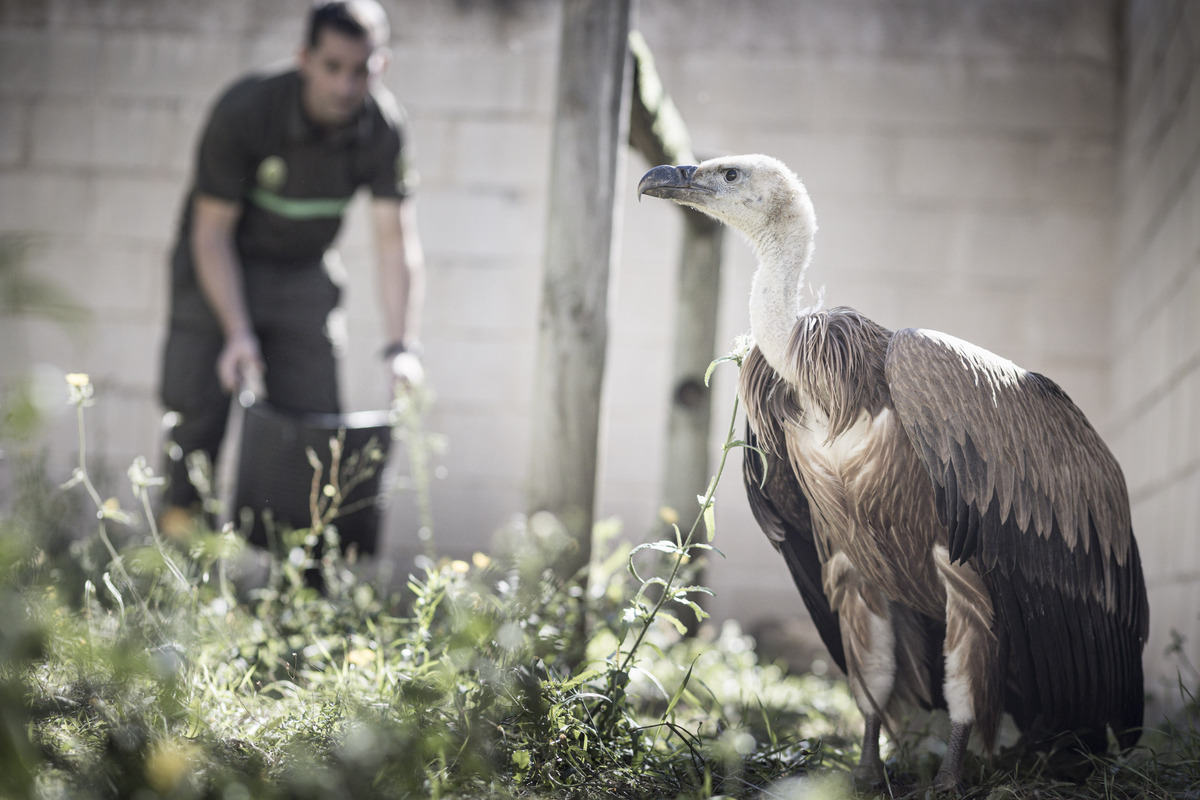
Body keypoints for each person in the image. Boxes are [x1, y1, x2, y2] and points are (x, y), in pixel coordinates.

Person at [158, 0, 424, 519]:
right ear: (305, 58)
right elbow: (211, 234)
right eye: (332, 67)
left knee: (316, 432)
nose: (346, 87)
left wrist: (401, 347)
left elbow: (396, 242)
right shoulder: (246, 111)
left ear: (381, 64)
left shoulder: (384, 127)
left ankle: (298, 586)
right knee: (195, 424)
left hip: (304, 272)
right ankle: (178, 576)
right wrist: (237, 332)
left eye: (361, 70)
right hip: (218, 269)